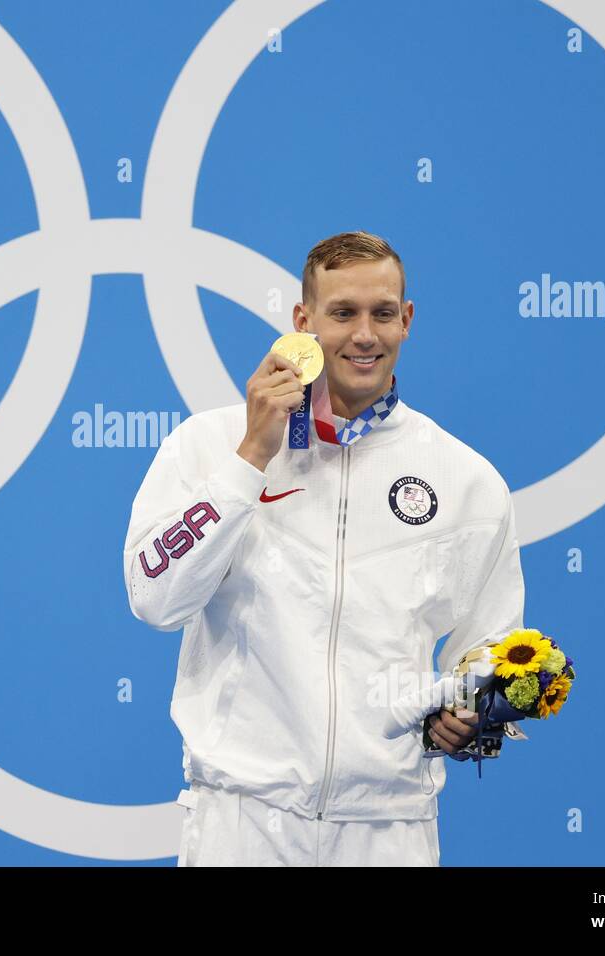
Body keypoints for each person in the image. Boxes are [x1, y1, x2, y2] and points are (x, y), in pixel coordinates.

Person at [122, 231, 525, 866]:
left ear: (406, 320)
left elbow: (492, 647)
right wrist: (251, 458)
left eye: (382, 313)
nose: (364, 335)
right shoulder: (210, 445)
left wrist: (469, 716)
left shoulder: (465, 480)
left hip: (388, 827)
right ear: (303, 323)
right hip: (244, 819)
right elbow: (155, 598)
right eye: (343, 313)